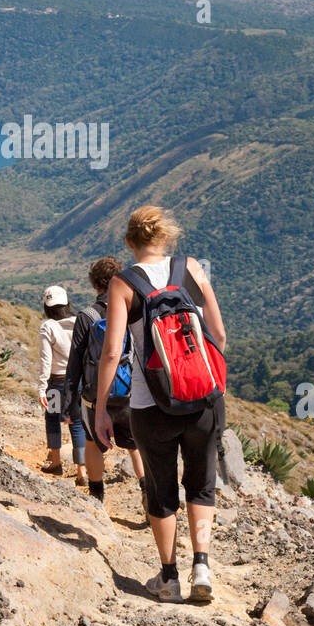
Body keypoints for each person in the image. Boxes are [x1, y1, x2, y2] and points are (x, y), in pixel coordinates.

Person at [95, 205, 227, 604]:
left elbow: (112, 352)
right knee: (201, 485)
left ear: (130, 242)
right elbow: (218, 334)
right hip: (204, 399)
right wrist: (203, 379)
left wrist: (102, 407)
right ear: (165, 237)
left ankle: (169, 577)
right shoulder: (192, 269)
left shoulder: (122, 283)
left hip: (150, 405)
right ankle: (201, 565)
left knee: (161, 488)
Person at [64, 256, 146, 510]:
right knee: (137, 447)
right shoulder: (133, 311)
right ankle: (147, 493)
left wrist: (68, 402)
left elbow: (75, 362)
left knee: (93, 443)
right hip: (131, 394)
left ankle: (97, 498)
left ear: (94, 283)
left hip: (94, 395)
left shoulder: (87, 316)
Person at [38, 286, 86, 484]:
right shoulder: (79, 322)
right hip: (79, 383)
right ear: (67, 304)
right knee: (77, 423)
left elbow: (45, 361)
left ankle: (56, 462)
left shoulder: (47, 326)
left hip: (57, 385)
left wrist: (42, 387)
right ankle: (82, 471)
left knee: (52, 419)